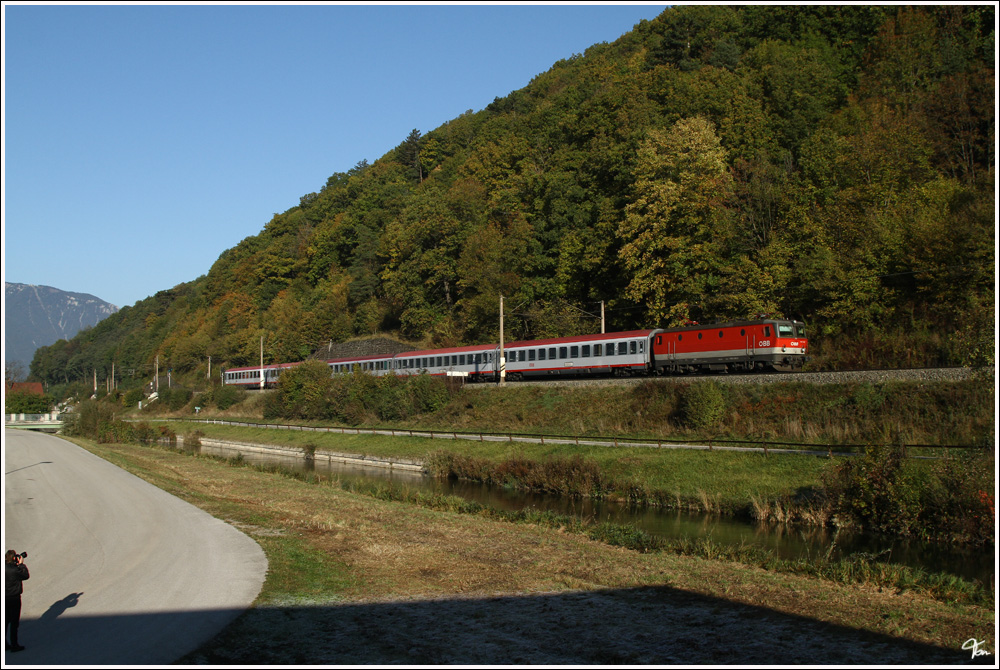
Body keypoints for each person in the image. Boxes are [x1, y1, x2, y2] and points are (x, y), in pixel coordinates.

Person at [5, 550, 30, 652]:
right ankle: (14, 645)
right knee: (14, 623)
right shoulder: (15, 570)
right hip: (14, 598)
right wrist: (21, 565)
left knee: (5, 621)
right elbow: (26, 576)